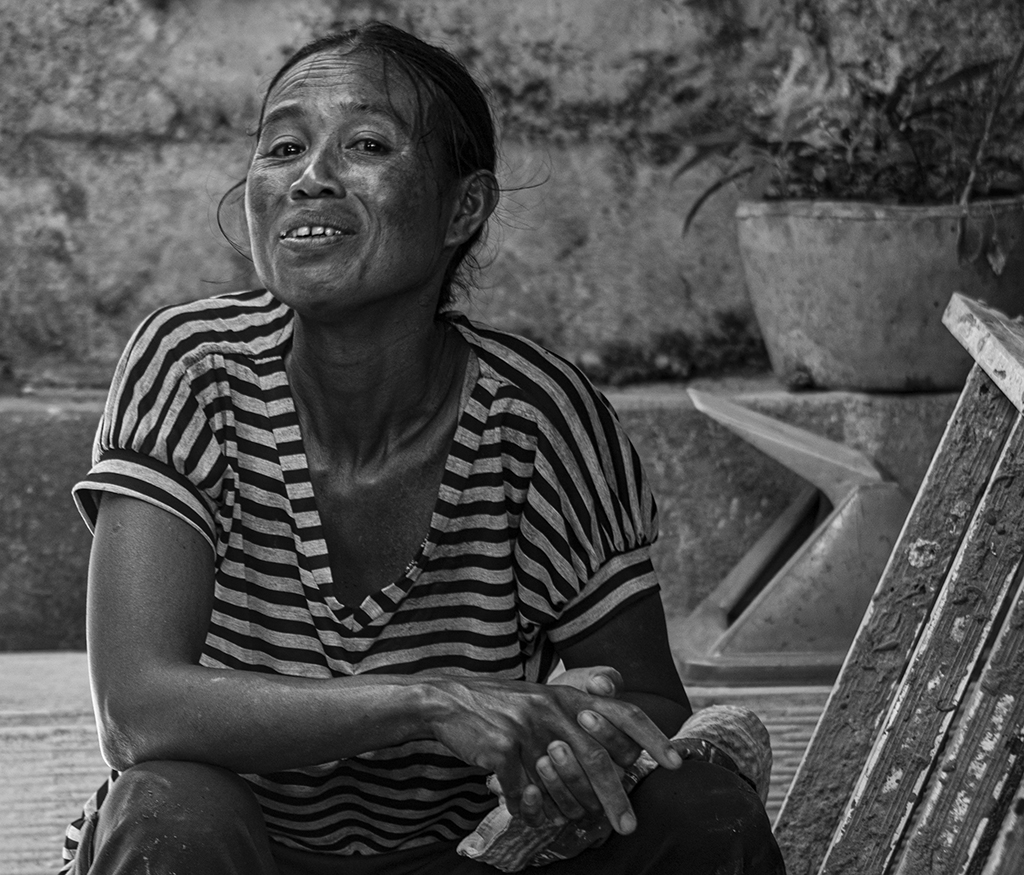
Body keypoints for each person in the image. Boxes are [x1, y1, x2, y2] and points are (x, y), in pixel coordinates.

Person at [60, 21, 785, 875]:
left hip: (466, 855)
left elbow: (652, 700)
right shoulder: (192, 368)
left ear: (464, 207)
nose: (309, 177)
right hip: (242, 850)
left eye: (365, 143)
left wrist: (568, 748)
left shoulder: (538, 417)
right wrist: (432, 703)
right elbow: (138, 708)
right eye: (282, 146)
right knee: (164, 807)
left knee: (701, 812)